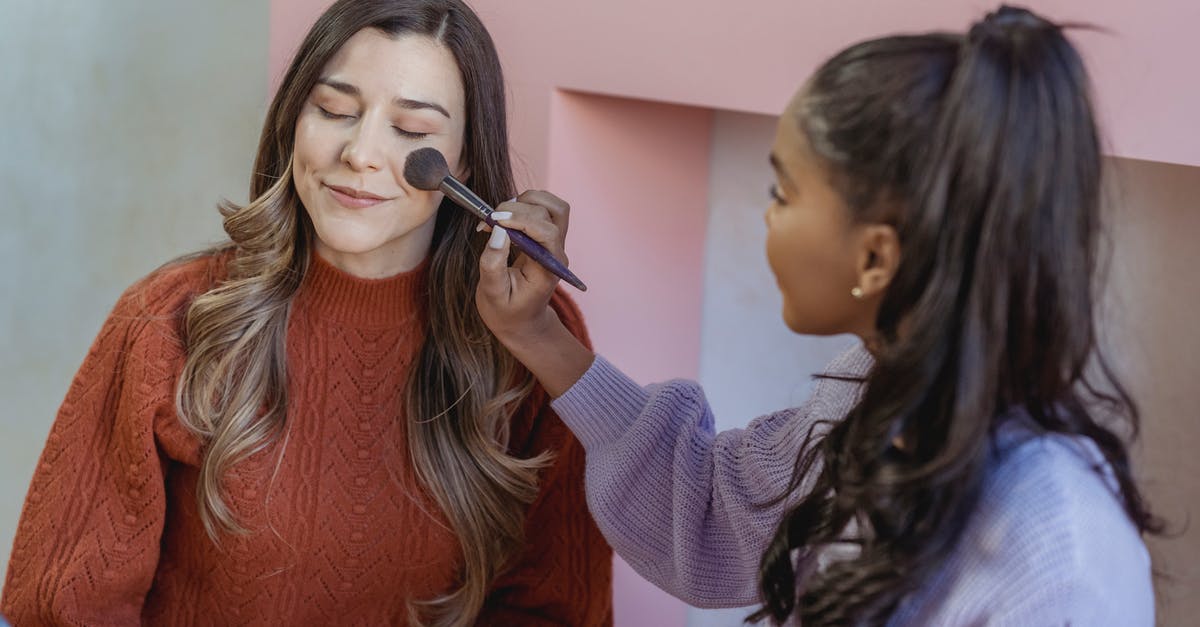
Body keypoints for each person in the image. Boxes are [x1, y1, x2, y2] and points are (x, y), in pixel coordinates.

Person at [474, 5, 1158, 626]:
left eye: (784, 192)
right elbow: (714, 509)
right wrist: (534, 333)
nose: (766, 217)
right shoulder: (874, 390)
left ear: (874, 259)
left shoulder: (1060, 562)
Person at [1, 1, 612, 625]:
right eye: (336, 110)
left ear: (467, 163)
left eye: (411, 130)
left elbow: (553, 609)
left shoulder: (532, 338)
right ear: (294, 116)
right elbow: (64, 607)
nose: (362, 153)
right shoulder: (170, 319)